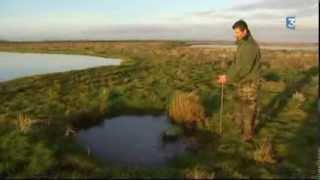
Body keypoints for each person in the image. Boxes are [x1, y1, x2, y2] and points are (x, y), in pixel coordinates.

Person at [217, 19, 261, 142]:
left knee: (248, 109)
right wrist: (227, 75)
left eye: (237, 32)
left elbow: (244, 68)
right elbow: (236, 65)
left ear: (245, 31)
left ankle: (248, 136)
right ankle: (240, 130)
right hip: (242, 81)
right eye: (235, 32)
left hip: (250, 83)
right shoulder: (243, 44)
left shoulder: (249, 46)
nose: (235, 35)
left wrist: (227, 78)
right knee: (240, 106)